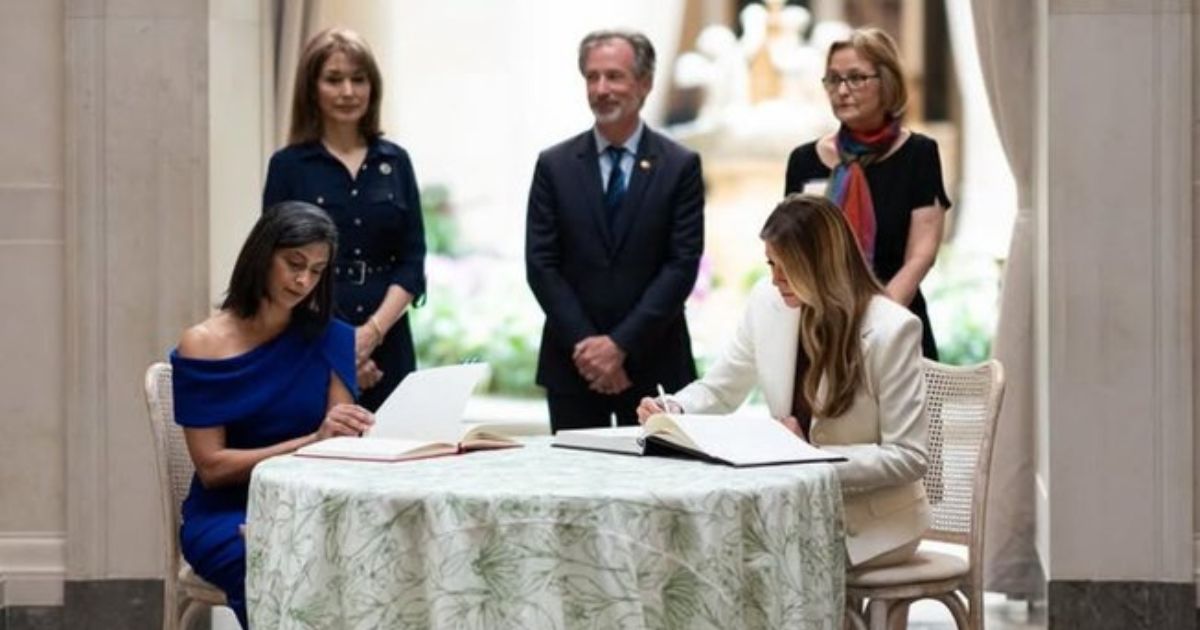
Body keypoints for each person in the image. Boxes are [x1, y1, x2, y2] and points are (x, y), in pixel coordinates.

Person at [638, 194, 929, 569]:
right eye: (771, 264)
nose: (774, 279)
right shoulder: (767, 302)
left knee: (747, 564)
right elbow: (721, 387)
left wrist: (807, 458)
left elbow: (909, 456)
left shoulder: (892, 329)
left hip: (874, 524)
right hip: (794, 511)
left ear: (822, 264)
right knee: (705, 555)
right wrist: (673, 409)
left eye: (786, 267)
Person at [171, 202, 374, 627]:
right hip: (228, 514)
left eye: (317, 270)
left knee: (374, 556)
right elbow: (212, 468)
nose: (303, 280)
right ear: (262, 255)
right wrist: (311, 442)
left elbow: (338, 450)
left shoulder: (332, 337)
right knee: (275, 562)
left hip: (312, 507)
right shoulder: (204, 343)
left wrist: (342, 436)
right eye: (294, 263)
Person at [526, 29, 705, 432]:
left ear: (644, 83)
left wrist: (620, 345)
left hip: (654, 364)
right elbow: (541, 264)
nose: (601, 88)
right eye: (592, 77)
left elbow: (681, 265)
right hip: (573, 365)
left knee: (658, 491)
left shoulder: (680, 166)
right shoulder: (554, 165)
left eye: (615, 76)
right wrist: (591, 350)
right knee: (572, 491)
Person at [264, 27, 426, 411]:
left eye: (359, 79)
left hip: (389, 341)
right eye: (334, 80)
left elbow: (412, 261)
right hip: (312, 340)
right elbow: (277, 263)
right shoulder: (288, 166)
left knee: (397, 459)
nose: (348, 91)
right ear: (312, 89)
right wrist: (341, 346)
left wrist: (370, 334)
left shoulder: (396, 161)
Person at [784, 27, 950, 359]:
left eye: (856, 78)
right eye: (833, 80)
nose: (842, 91)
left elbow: (922, 254)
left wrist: (876, 323)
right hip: (820, 334)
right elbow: (789, 252)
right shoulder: (804, 161)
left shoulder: (919, 154)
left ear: (887, 82)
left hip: (895, 328)